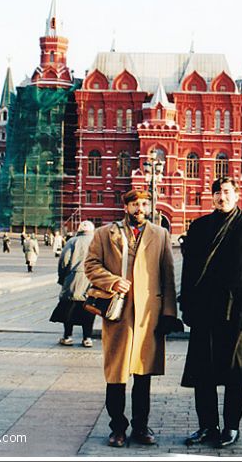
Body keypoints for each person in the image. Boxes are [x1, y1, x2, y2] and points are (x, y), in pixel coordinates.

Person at [179, 177, 242, 448]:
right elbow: (189, 270)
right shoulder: (199, 227)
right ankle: (208, 426)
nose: (222, 197)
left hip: (238, 310)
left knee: (235, 372)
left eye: (227, 192)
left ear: (237, 195)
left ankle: (231, 426)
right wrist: (187, 305)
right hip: (205, 307)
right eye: (217, 192)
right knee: (202, 371)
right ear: (212, 197)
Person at [84, 189, 179, 448]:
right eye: (135, 204)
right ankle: (117, 428)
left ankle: (140, 426)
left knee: (143, 373)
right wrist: (113, 282)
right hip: (119, 314)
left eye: (144, 204)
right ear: (125, 207)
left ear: (149, 207)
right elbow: (90, 265)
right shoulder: (106, 234)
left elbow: (168, 275)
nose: (140, 208)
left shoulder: (160, 234)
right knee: (116, 374)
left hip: (148, 314)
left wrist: (169, 313)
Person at [50, 220, 97, 348]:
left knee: (68, 309)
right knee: (89, 310)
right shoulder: (97, 242)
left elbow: (64, 261)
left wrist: (62, 278)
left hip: (73, 279)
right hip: (91, 279)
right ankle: (87, 338)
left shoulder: (72, 241)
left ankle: (67, 336)